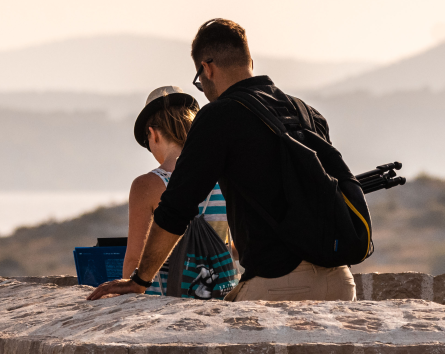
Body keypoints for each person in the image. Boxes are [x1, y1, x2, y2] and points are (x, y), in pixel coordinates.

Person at [89, 18, 356, 302]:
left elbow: (177, 208)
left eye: (200, 81)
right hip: (340, 279)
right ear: (249, 60)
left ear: (207, 68)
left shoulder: (220, 116)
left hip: (279, 283)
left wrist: (140, 280)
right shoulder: (305, 112)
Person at [124, 85, 235, 298]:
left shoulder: (147, 185)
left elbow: (133, 260)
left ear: (153, 134)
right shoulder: (224, 176)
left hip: (163, 308)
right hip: (221, 302)